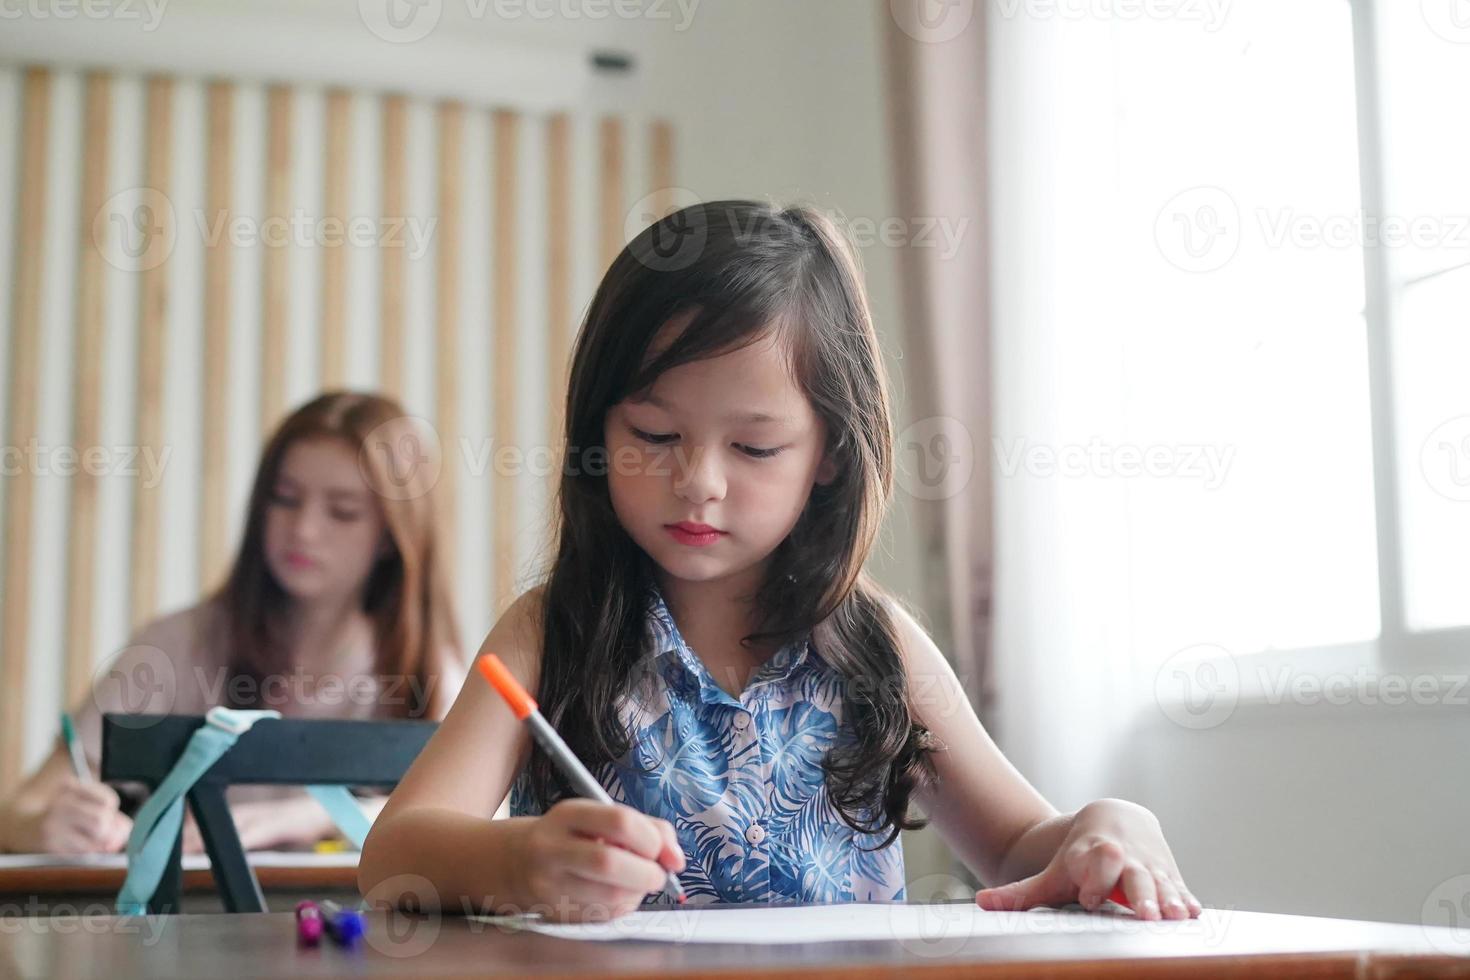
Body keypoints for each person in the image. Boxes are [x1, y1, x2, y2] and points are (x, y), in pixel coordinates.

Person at [359, 200, 1202, 923]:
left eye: (755, 448)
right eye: (654, 436)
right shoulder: (553, 631)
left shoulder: (876, 644)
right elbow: (393, 853)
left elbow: (1020, 843)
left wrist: (1108, 824)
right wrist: (516, 863)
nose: (698, 483)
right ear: (598, 433)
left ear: (830, 453)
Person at [0, 391, 466, 854]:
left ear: (391, 536)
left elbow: (473, 818)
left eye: (342, 511)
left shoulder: (430, 672)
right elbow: (20, 810)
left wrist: (309, 815)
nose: (303, 529)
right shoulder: (175, 647)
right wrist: (43, 827)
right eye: (284, 499)